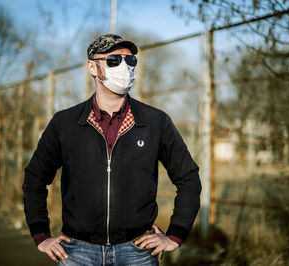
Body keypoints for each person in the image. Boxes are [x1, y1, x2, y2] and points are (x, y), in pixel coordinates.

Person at [23, 33, 201, 265]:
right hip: (77, 251)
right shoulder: (65, 123)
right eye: (114, 60)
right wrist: (41, 235)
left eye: (131, 60)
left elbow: (188, 177)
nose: (125, 67)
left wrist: (175, 235)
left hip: (137, 250)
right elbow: (35, 178)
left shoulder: (155, 121)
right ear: (92, 67)